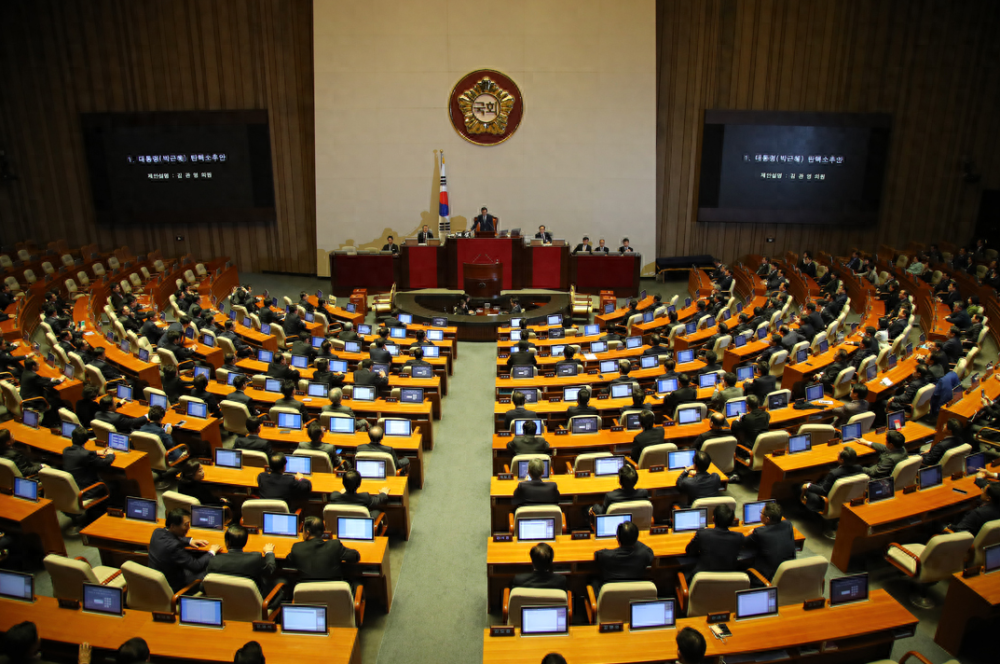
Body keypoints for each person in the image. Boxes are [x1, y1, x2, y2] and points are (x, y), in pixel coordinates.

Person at [149, 508, 219, 591]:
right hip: (173, 585)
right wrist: (211, 552)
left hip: (159, 577)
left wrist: (189, 541)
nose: (188, 527)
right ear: (173, 526)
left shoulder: (157, 532)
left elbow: (171, 538)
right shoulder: (174, 546)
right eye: (186, 524)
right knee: (211, 573)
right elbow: (196, 566)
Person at [206, 525, 277, 593]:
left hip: (223, 600)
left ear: (227, 542)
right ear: (246, 542)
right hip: (250, 600)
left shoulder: (214, 560)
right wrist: (269, 552)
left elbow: (205, 586)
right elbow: (270, 569)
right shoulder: (255, 558)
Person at [287, 516, 360, 582]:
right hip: (333, 594)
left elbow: (288, 560)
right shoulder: (334, 546)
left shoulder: (297, 548)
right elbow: (355, 556)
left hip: (306, 594)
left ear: (307, 532)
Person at [685, 504, 745, 581]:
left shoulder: (703, 534)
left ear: (713, 519)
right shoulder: (739, 537)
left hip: (702, 580)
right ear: (731, 522)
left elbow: (689, 551)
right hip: (728, 581)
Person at [593, 521, 654, 593]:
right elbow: (649, 551)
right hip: (634, 593)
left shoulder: (605, 556)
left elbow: (596, 554)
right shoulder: (644, 554)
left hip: (612, 598)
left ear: (617, 538)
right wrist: (633, 539)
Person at [747, 502, 796, 583]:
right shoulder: (788, 524)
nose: (760, 515)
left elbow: (744, 543)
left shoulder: (759, 533)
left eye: (761, 513)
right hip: (787, 573)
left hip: (767, 577)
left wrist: (750, 533)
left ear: (767, 519)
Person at [63, 426, 114, 502]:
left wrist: (95, 452)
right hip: (87, 491)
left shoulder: (66, 450)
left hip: (73, 488)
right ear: (87, 440)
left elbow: (82, 454)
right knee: (113, 485)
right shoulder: (86, 455)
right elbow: (104, 463)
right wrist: (110, 454)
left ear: (72, 438)